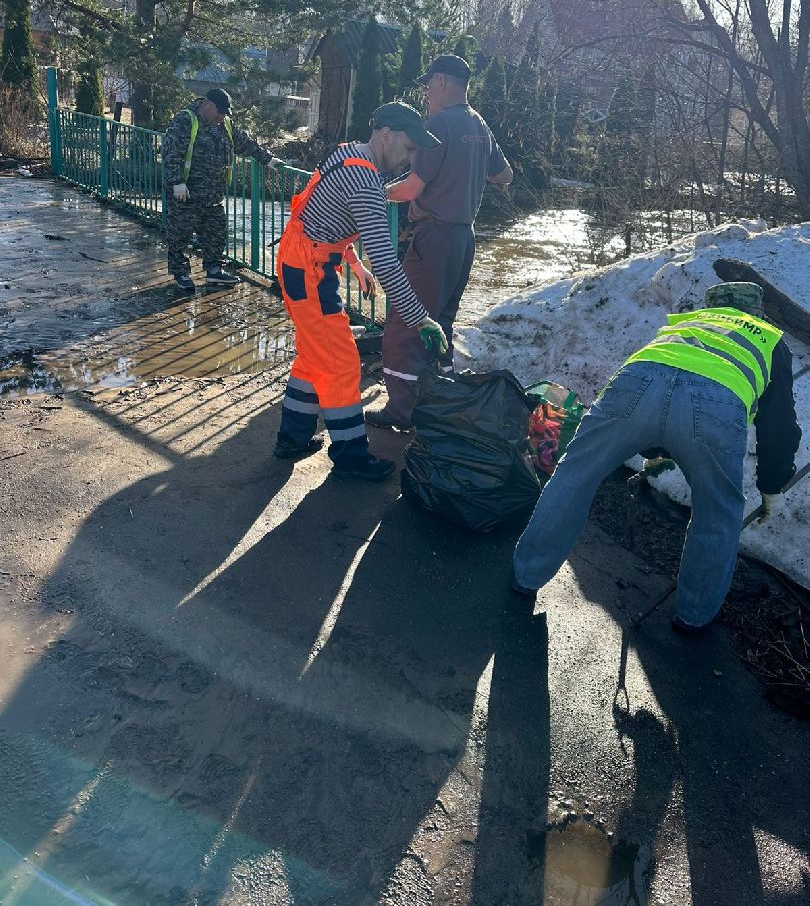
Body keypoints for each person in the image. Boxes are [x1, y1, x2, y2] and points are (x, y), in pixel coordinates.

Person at [511, 282, 802, 633]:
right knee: (718, 511)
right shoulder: (770, 339)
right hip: (716, 405)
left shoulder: (686, 323)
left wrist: (652, 447)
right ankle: (693, 616)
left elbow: (659, 391)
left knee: (575, 474)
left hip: (636, 381)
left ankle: (526, 575)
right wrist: (772, 487)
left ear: (713, 305)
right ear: (755, 312)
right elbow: (779, 428)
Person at [273, 102, 448, 482]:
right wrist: (421, 319)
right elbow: (387, 262)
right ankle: (351, 455)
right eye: (408, 149)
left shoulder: (347, 154)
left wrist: (353, 264)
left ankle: (292, 437)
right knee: (341, 362)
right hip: (310, 271)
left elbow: (326, 213)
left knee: (313, 355)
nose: (409, 160)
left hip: (301, 261)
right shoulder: (366, 181)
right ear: (386, 135)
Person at [366, 54, 513, 431]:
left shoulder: (439, 124)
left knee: (404, 323)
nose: (427, 93)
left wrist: (376, 193)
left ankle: (401, 411)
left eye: (429, 84)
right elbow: (505, 176)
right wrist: (469, 170)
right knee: (441, 322)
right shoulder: (480, 125)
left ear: (443, 83)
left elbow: (413, 187)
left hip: (432, 238)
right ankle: (436, 397)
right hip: (464, 238)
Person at [162, 87, 279, 292]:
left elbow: (245, 143)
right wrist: (176, 182)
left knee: (216, 233)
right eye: (220, 111)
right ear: (207, 104)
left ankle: (214, 271)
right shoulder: (185, 120)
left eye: (225, 113)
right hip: (187, 193)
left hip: (213, 194)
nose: (222, 116)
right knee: (179, 235)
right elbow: (171, 152)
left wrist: (267, 159)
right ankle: (181, 274)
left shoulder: (224, 124)